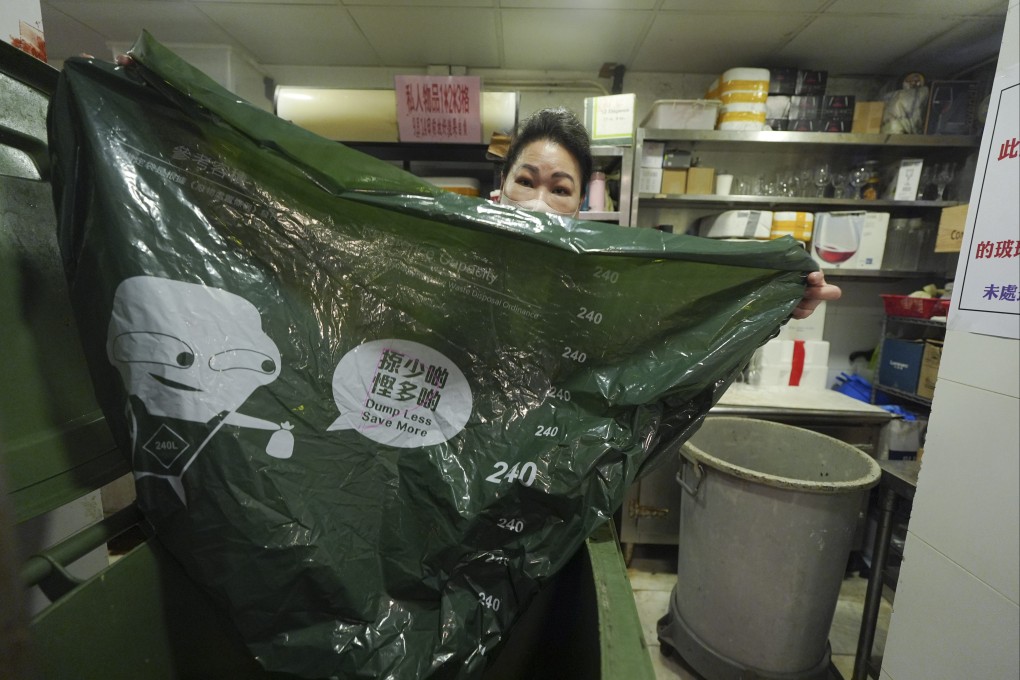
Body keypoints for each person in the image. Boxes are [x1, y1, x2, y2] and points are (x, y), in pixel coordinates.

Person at [498, 107, 840, 319]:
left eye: (560, 190)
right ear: (500, 189)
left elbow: (685, 314)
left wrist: (779, 296)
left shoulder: (602, 283)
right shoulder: (455, 261)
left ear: (579, 205)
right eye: (526, 181)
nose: (538, 202)